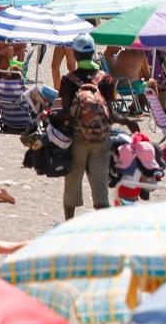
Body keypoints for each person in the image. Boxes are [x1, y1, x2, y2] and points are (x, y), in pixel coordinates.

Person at [55, 34, 134, 220]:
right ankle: (103, 228)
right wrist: (127, 122)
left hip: (77, 139)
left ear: (75, 54)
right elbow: (111, 114)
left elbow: (66, 113)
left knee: (72, 184)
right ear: (92, 53)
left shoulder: (68, 80)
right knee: (100, 188)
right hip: (101, 139)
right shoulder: (105, 79)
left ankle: (70, 224)